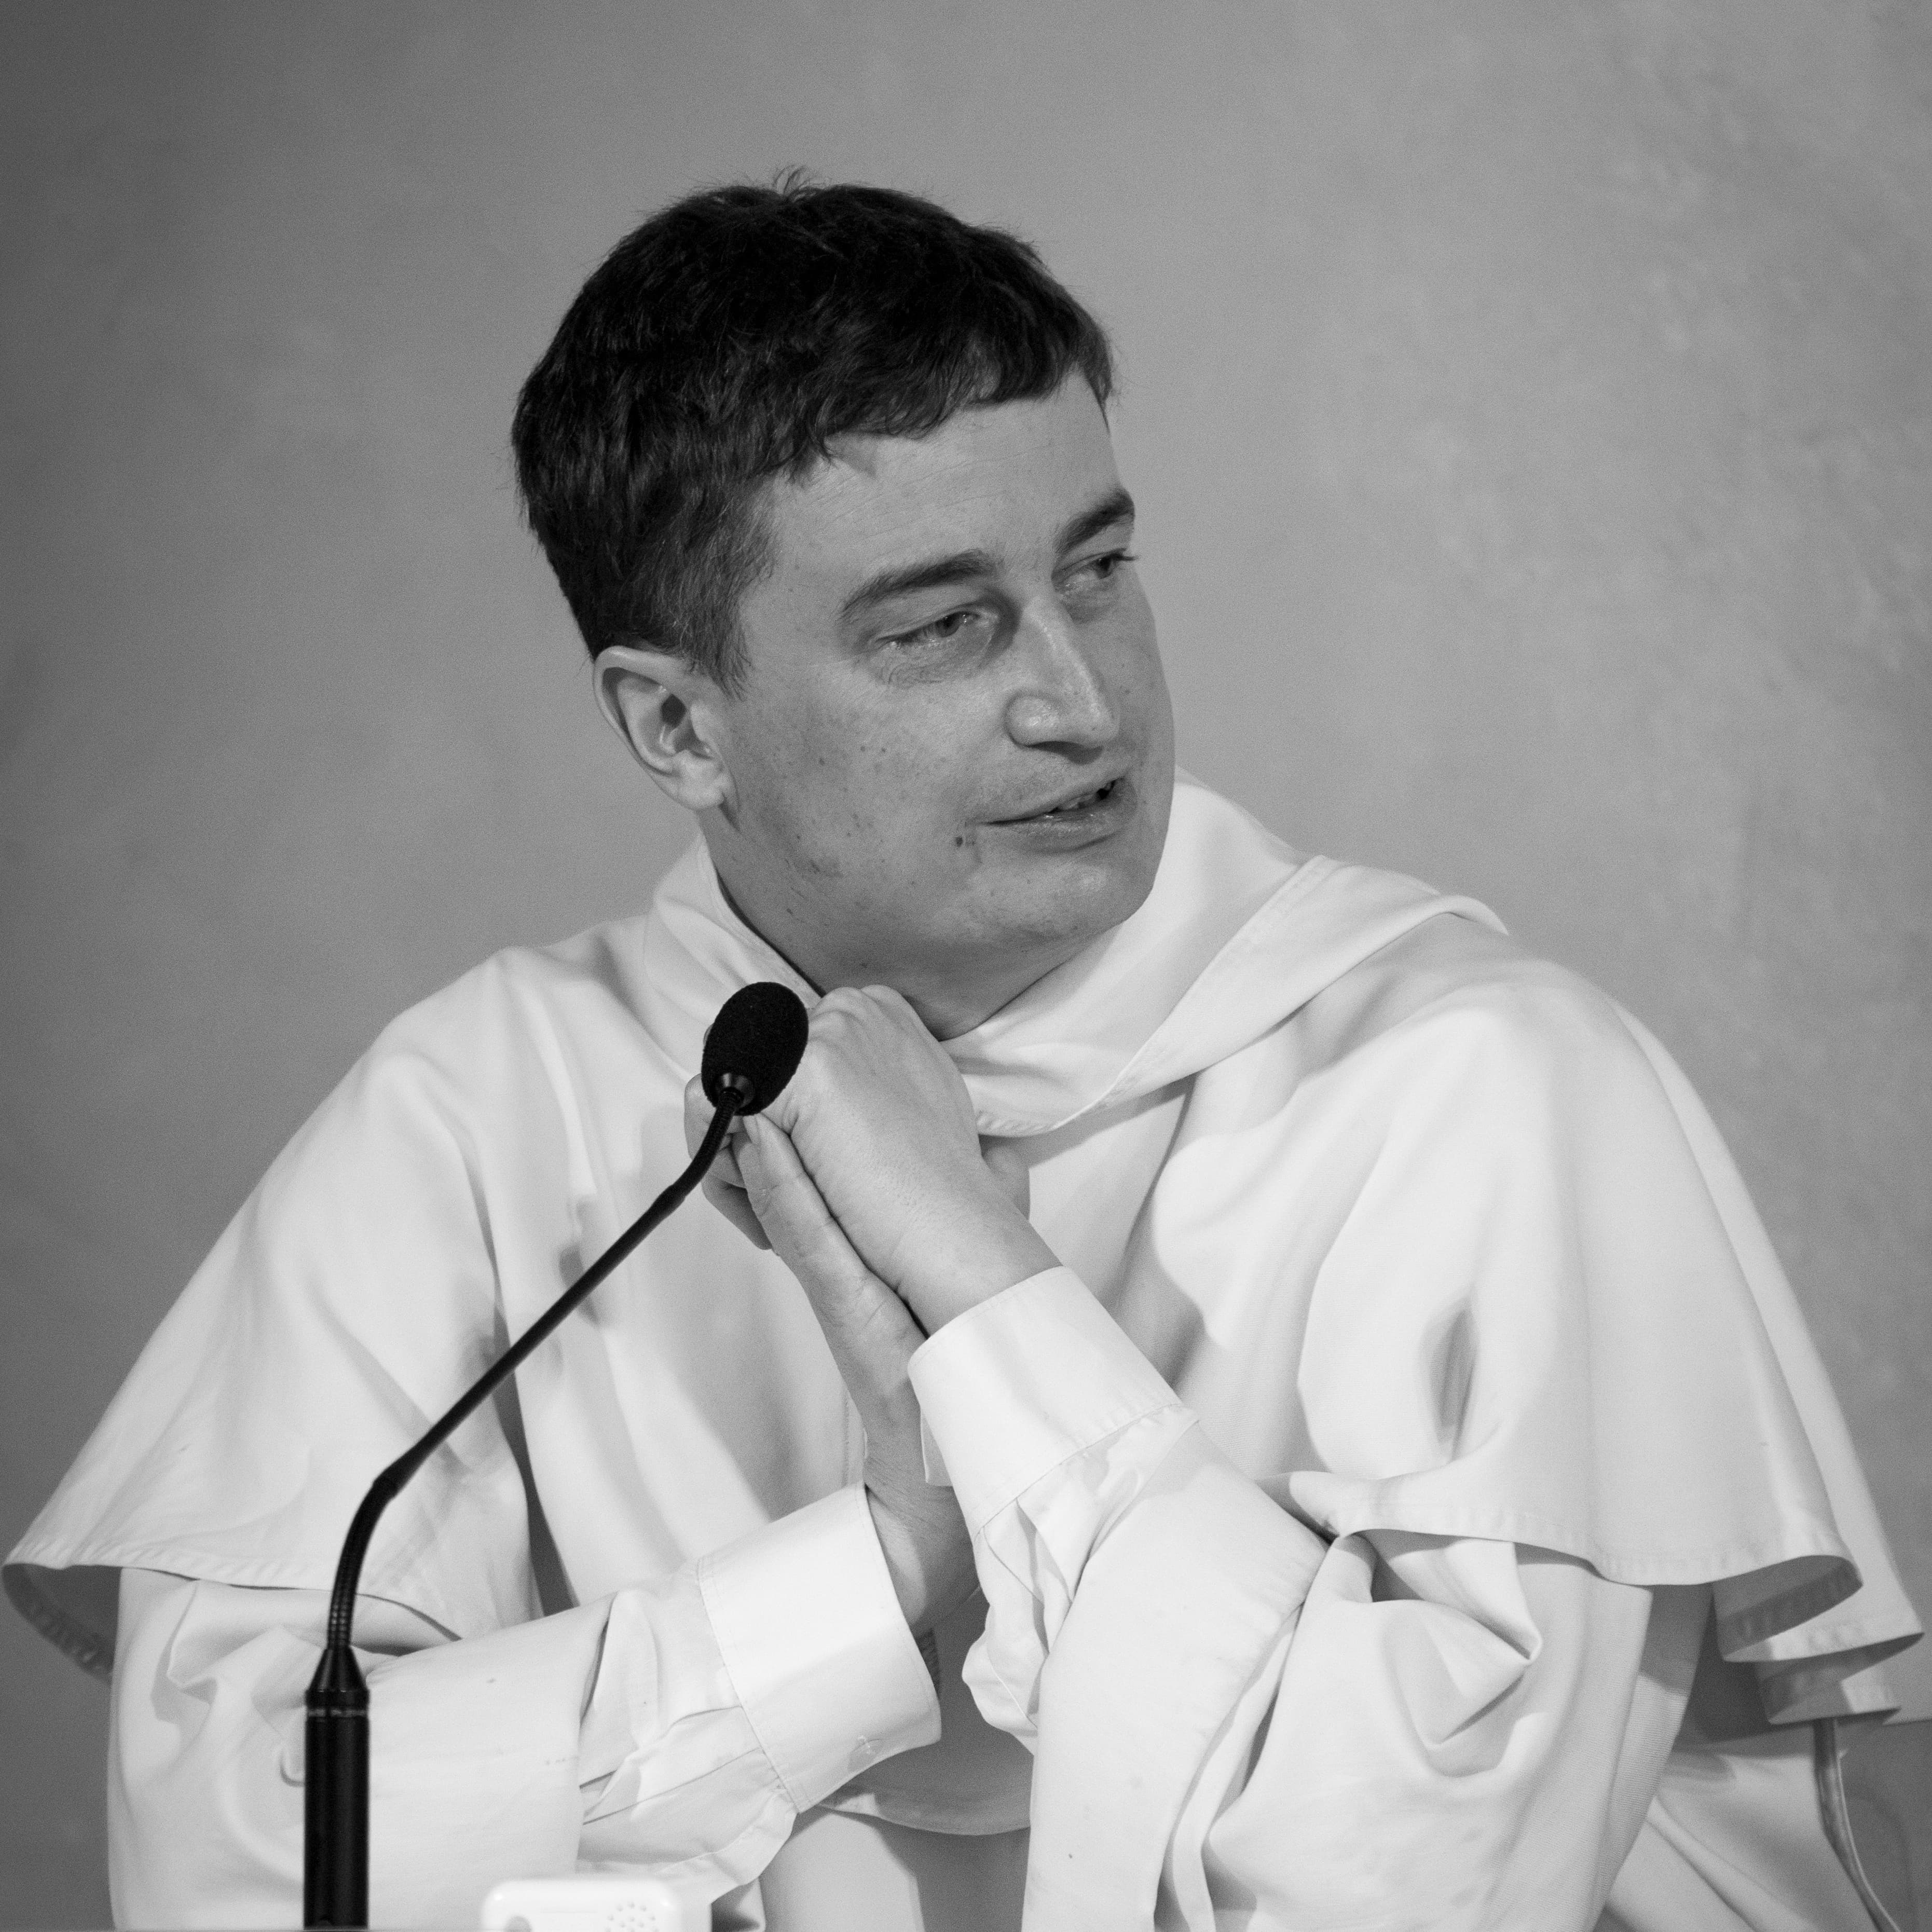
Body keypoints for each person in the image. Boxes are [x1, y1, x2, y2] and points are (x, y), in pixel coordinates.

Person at [6, 179, 1921, 1932]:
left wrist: (991, 1299)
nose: (1080, 700)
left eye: (1098, 568)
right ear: (679, 727)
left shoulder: (1483, 1087)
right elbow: (241, 1869)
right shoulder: (477, 1115)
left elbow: (1423, 1892)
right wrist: (885, 1573)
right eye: (941, 628)